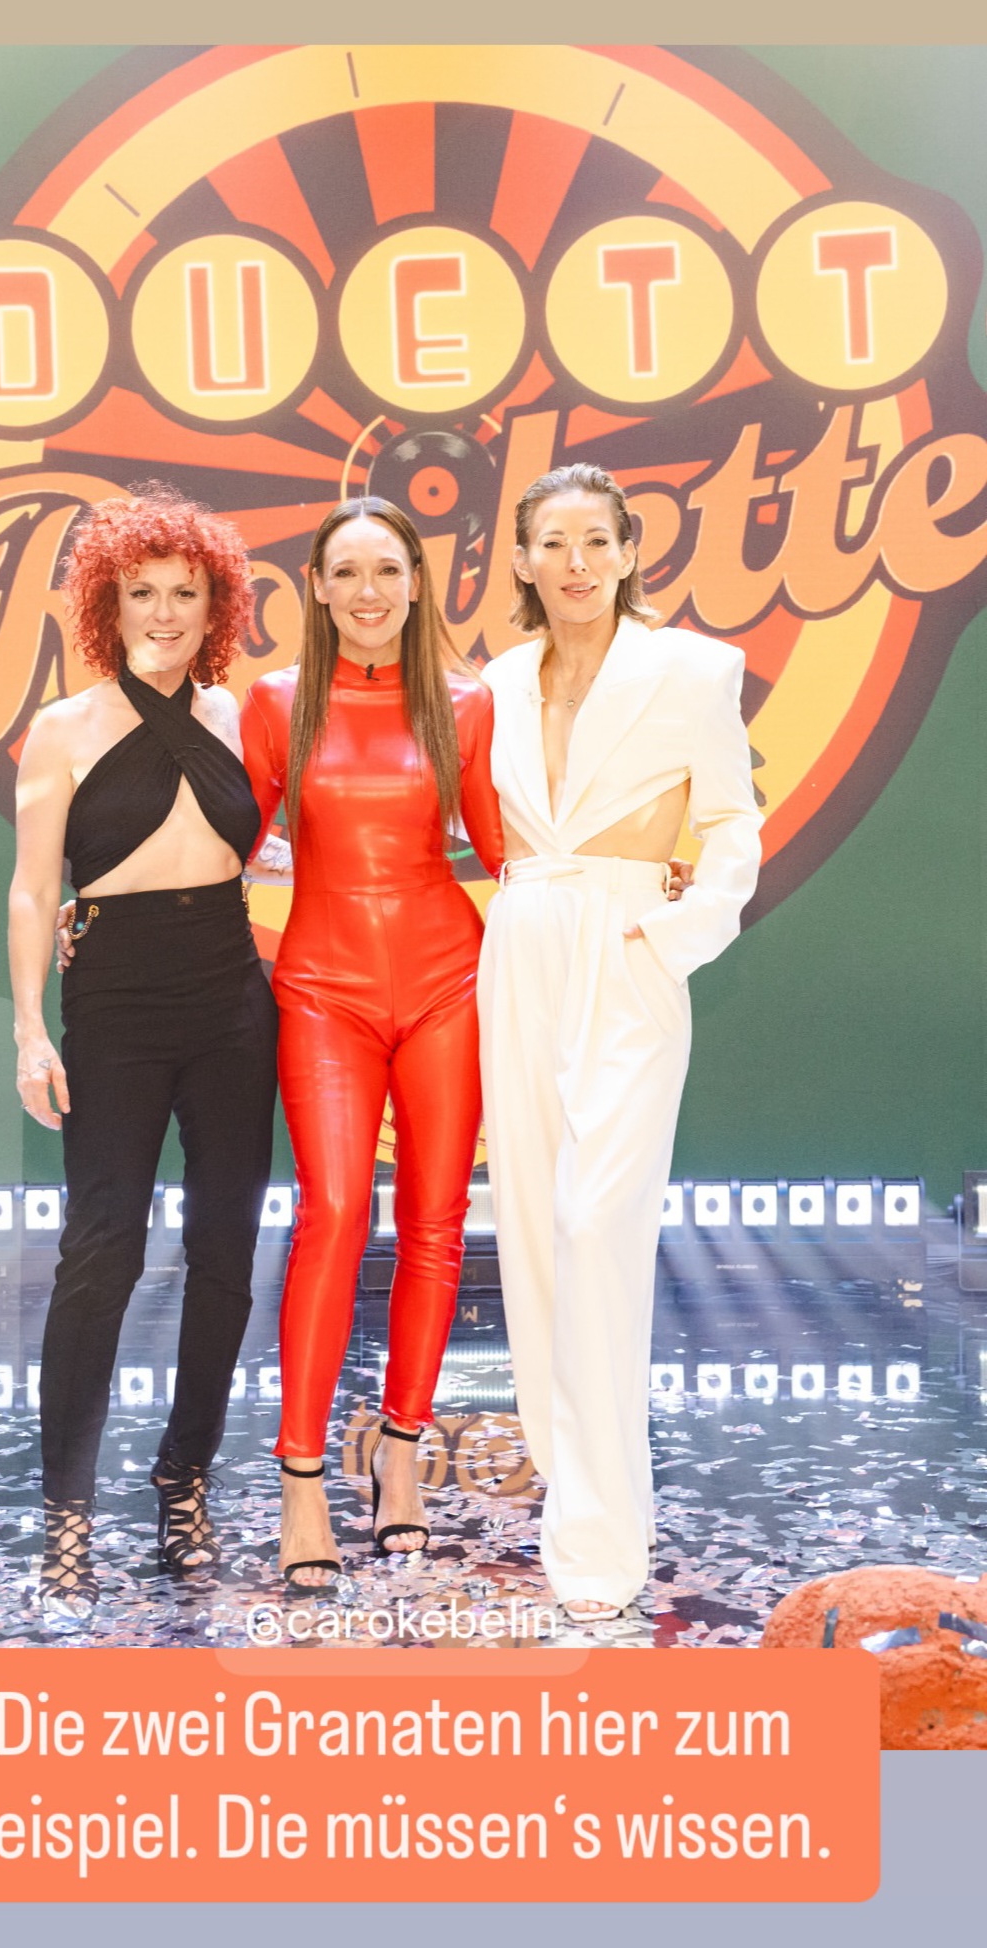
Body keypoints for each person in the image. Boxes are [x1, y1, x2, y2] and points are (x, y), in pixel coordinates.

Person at [477, 462, 763, 1624]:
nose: (577, 563)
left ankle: (595, 1538)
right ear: (522, 560)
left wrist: (674, 932)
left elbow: (732, 820)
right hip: (520, 945)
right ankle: (590, 1492)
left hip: (628, 947)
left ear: (630, 550)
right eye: (554, 542)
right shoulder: (495, 683)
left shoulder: (693, 669)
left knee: (598, 1225)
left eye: (598, 540)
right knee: (534, 1232)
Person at [8, 486, 279, 1615]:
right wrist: (30, 1027)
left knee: (225, 1251)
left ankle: (183, 1482)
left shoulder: (241, 717)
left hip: (231, 994)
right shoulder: (64, 728)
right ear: (106, 605)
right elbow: (33, 890)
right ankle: (66, 1511)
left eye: (184, 593)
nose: (163, 613)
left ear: (216, 606)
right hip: (114, 997)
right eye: (141, 593)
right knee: (102, 1251)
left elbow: (297, 839)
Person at [239, 497, 505, 1589]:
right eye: (345, 571)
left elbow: (511, 851)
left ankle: (401, 1456)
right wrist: (105, 900)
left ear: (415, 581)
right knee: (335, 1212)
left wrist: (635, 878)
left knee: (436, 1222)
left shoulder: (466, 701)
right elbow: (222, 839)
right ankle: (302, 1479)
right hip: (324, 988)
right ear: (313, 585)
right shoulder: (276, 702)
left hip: (449, 981)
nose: (367, 591)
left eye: (387, 569)